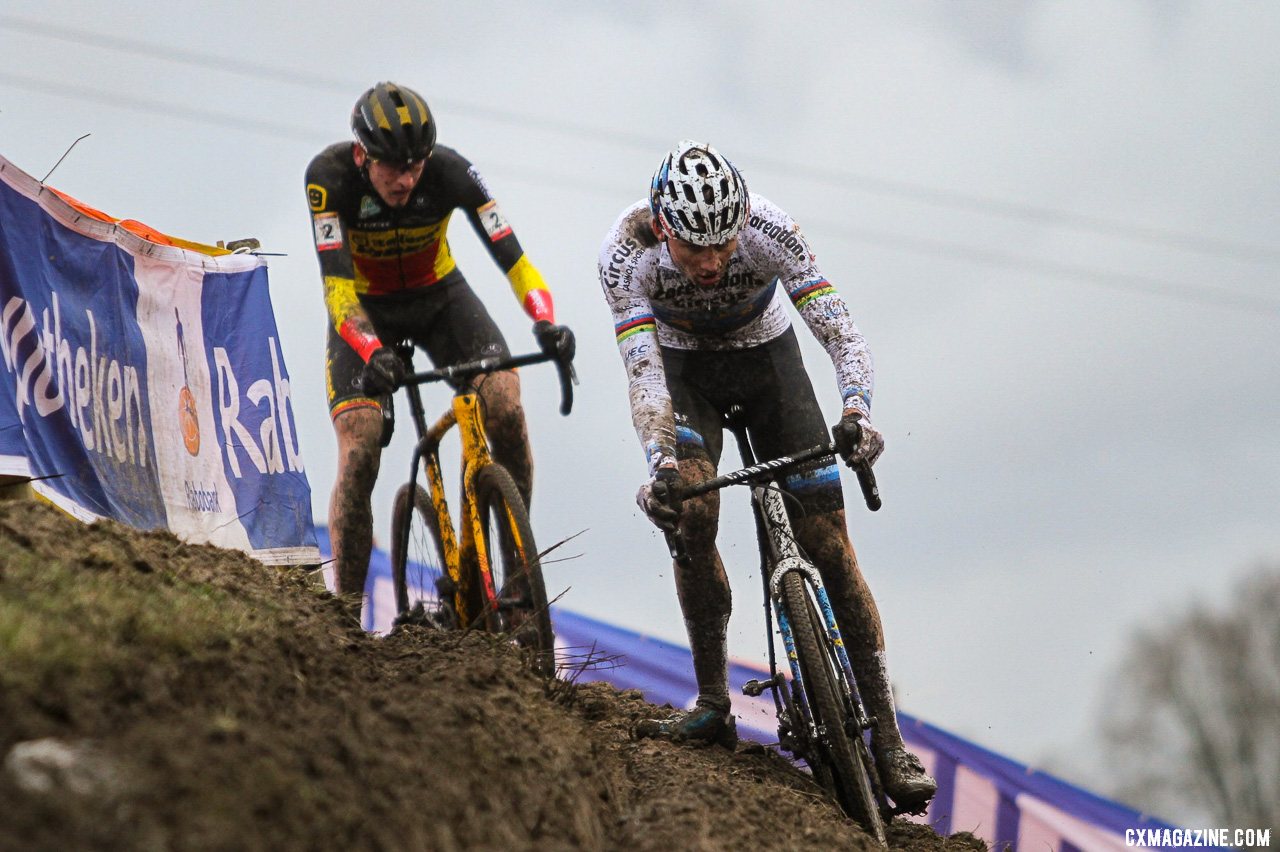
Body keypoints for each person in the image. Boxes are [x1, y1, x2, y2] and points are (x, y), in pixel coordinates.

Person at [597, 140, 936, 810]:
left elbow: (841, 332)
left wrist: (858, 413)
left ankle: (890, 743)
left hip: (768, 362)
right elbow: (644, 379)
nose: (715, 261)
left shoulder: (771, 230)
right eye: (698, 248)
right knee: (692, 517)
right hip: (684, 371)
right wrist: (661, 466)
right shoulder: (624, 253)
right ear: (664, 228)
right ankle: (714, 703)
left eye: (725, 243)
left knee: (832, 549)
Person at [307, 81, 573, 608]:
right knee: (359, 443)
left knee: (504, 404)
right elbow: (336, 289)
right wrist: (368, 350)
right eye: (392, 167)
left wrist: (546, 321)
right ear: (363, 154)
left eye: (416, 166)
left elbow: (514, 259)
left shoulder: (452, 172)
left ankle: (516, 582)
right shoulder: (329, 178)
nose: (406, 180)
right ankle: (344, 612)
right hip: (366, 310)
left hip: (440, 298)